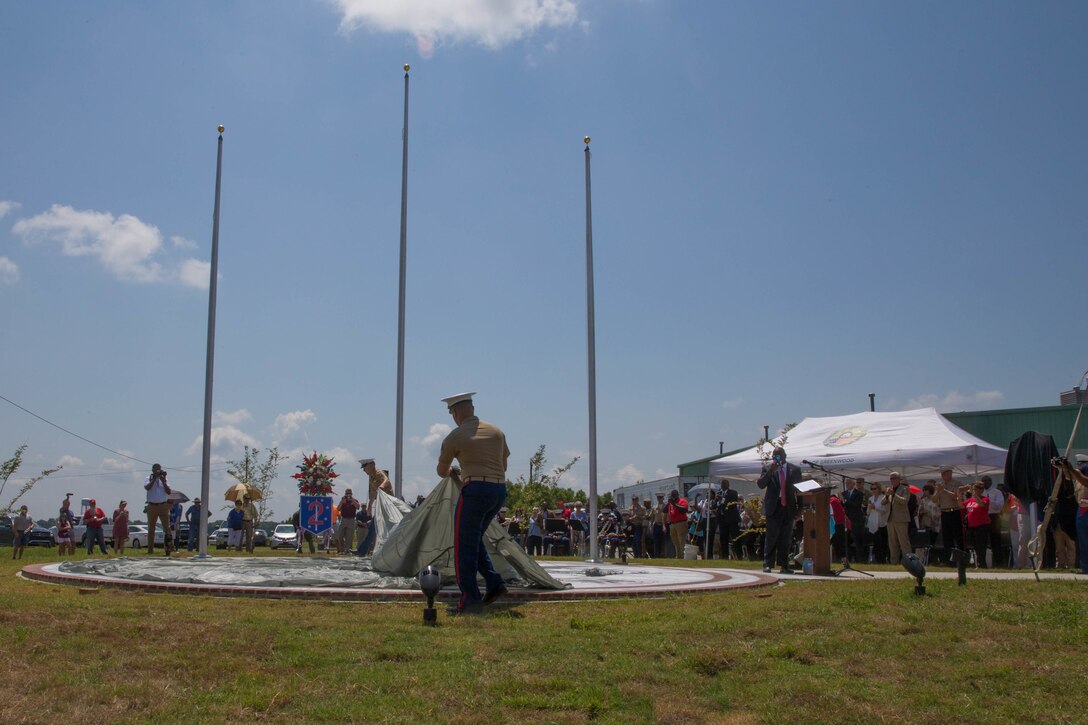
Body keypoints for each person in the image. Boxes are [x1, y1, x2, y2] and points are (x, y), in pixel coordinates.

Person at [436, 392, 510, 615]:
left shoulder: (455, 436)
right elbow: (503, 465)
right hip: (498, 490)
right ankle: (494, 582)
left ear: (456, 412)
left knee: (463, 546)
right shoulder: (497, 431)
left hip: (474, 490)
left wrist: (453, 471)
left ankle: (469, 599)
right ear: (472, 408)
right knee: (474, 538)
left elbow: (441, 471)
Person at [757, 446, 800, 573]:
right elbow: (761, 484)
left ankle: (784, 565)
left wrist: (800, 508)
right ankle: (768, 564)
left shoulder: (795, 470)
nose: (776, 458)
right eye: (774, 456)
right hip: (773, 508)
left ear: (784, 455)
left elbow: (799, 490)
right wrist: (771, 470)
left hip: (788, 507)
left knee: (785, 538)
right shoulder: (767, 468)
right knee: (771, 537)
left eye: (779, 455)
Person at [1053, 456, 1088, 574]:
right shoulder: (1085, 468)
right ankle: (1086, 567)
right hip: (1082, 509)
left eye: (1081, 463)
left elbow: (1086, 481)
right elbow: (1070, 477)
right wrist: (1062, 468)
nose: (1080, 465)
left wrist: (1071, 469)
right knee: (1083, 541)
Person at [934, 467, 964, 565]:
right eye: (943, 474)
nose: (945, 475)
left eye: (947, 473)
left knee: (958, 537)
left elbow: (956, 496)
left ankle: (961, 560)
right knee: (947, 538)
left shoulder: (957, 483)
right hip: (944, 512)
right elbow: (934, 500)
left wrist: (944, 490)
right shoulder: (940, 485)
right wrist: (938, 491)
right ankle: (949, 561)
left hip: (954, 511)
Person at [960, 481, 991, 568]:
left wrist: (974, 494)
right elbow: (961, 506)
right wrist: (959, 495)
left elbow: (981, 504)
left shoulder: (985, 499)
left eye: (976, 489)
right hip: (971, 526)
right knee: (974, 546)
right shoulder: (970, 500)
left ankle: (982, 564)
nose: (973, 490)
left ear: (981, 490)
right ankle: (977, 563)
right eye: (973, 489)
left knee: (981, 546)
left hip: (981, 525)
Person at [144, 463, 172, 555]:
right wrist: (154, 479)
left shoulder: (164, 479)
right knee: (151, 529)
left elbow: (169, 491)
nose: (158, 471)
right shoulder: (148, 478)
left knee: (167, 528)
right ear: (152, 470)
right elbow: (147, 488)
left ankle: (168, 549)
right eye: (156, 469)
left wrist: (163, 481)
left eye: (159, 469)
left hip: (163, 505)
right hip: (152, 506)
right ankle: (150, 550)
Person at [884, 472, 912, 565]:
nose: (892, 480)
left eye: (894, 478)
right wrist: (887, 495)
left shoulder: (905, 489)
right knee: (892, 542)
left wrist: (894, 495)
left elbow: (904, 501)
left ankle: (908, 562)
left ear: (899, 479)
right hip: (890, 519)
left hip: (901, 519)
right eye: (891, 478)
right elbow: (883, 502)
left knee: (904, 542)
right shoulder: (889, 490)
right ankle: (894, 562)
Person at [981, 475, 1004, 567]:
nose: (985, 482)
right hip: (983, 516)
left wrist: (988, 501)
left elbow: (1000, 505)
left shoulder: (997, 492)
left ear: (990, 481)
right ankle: (985, 563)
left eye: (987, 480)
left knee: (996, 540)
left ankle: (999, 562)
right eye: (983, 481)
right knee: (984, 540)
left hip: (994, 516)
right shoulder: (980, 492)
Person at [842, 478, 866, 563]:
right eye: (846, 483)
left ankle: (860, 560)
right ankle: (849, 559)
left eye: (849, 483)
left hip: (856, 520)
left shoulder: (859, 493)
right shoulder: (844, 493)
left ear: (853, 484)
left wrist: (845, 500)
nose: (847, 484)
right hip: (846, 520)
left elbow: (856, 505)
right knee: (847, 541)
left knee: (857, 541)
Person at [716, 479, 741, 560]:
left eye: (724, 483)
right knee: (723, 539)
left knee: (735, 538)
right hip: (722, 519)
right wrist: (717, 501)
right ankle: (725, 556)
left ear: (728, 484)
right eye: (722, 483)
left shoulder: (733, 492)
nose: (722, 485)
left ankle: (739, 556)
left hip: (732, 519)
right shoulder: (719, 493)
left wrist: (722, 499)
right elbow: (715, 505)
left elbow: (732, 503)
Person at [866, 482, 889, 563]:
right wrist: (869, 508)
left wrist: (875, 507)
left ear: (879, 489)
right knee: (875, 543)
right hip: (872, 522)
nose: (873, 490)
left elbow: (884, 511)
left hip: (881, 523)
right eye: (871, 489)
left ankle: (882, 560)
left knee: (882, 543)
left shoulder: (883, 498)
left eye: (875, 488)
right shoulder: (870, 498)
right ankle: (877, 560)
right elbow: (868, 512)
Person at [665, 490, 689, 559]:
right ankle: (678, 556)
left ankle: (683, 556)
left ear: (677, 495)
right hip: (672, 524)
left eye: (675, 495)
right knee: (675, 541)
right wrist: (669, 503)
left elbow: (685, 509)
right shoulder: (671, 503)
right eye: (672, 495)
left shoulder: (682, 501)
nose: (673, 496)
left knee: (681, 540)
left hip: (680, 523)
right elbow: (664, 510)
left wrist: (674, 504)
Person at [336, 488, 360, 554]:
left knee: (349, 536)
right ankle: (342, 550)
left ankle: (347, 550)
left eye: (349, 493)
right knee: (339, 535)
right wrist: (341, 502)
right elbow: (338, 509)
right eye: (347, 493)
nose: (348, 495)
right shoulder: (343, 500)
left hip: (351, 520)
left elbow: (358, 507)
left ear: (352, 494)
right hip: (343, 519)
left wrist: (352, 499)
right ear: (345, 494)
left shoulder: (354, 500)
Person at [651, 493, 667, 558]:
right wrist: (651, 526)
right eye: (658, 498)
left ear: (663, 498)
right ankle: (656, 556)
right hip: (656, 525)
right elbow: (652, 517)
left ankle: (664, 555)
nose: (659, 499)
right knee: (656, 542)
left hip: (663, 525)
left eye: (661, 497)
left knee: (663, 541)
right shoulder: (654, 507)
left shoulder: (666, 506)